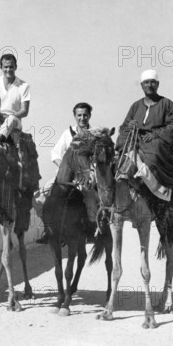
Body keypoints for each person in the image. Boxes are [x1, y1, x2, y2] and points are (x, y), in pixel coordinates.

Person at [36, 102, 98, 243]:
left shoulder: (95, 136)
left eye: (85, 115)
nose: (82, 118)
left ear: (89, 116)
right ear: (75, 116)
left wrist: (87, 174)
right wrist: (64, 168)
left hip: (86, 175)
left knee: (90, 199)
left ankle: (91, 229)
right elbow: (56, 154)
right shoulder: (67, 133)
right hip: (64, 175)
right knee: (40, 198)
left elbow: (96, 160)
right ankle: (49, 229)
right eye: (79, 115)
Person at [116, 69, 173, 189]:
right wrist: (130, 126)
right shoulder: (136, 105)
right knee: (122, 140)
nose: (149, 85)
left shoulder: (166, 103)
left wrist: (157, 134)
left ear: (158, 84)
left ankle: (147, 183)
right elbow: (124, 126)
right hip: (137, 139)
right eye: (146, 82)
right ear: (141, 85)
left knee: (154, 152)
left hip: (157, 140)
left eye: (152, 82)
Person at [0, 53, 30, 144]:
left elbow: (24, 111)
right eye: (5, 67)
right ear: (1, 68)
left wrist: (8, 117)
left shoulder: (24, 86)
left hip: (14, 121)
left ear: (15, 67)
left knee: (11, 119)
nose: (8, 70)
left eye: (11, 67)